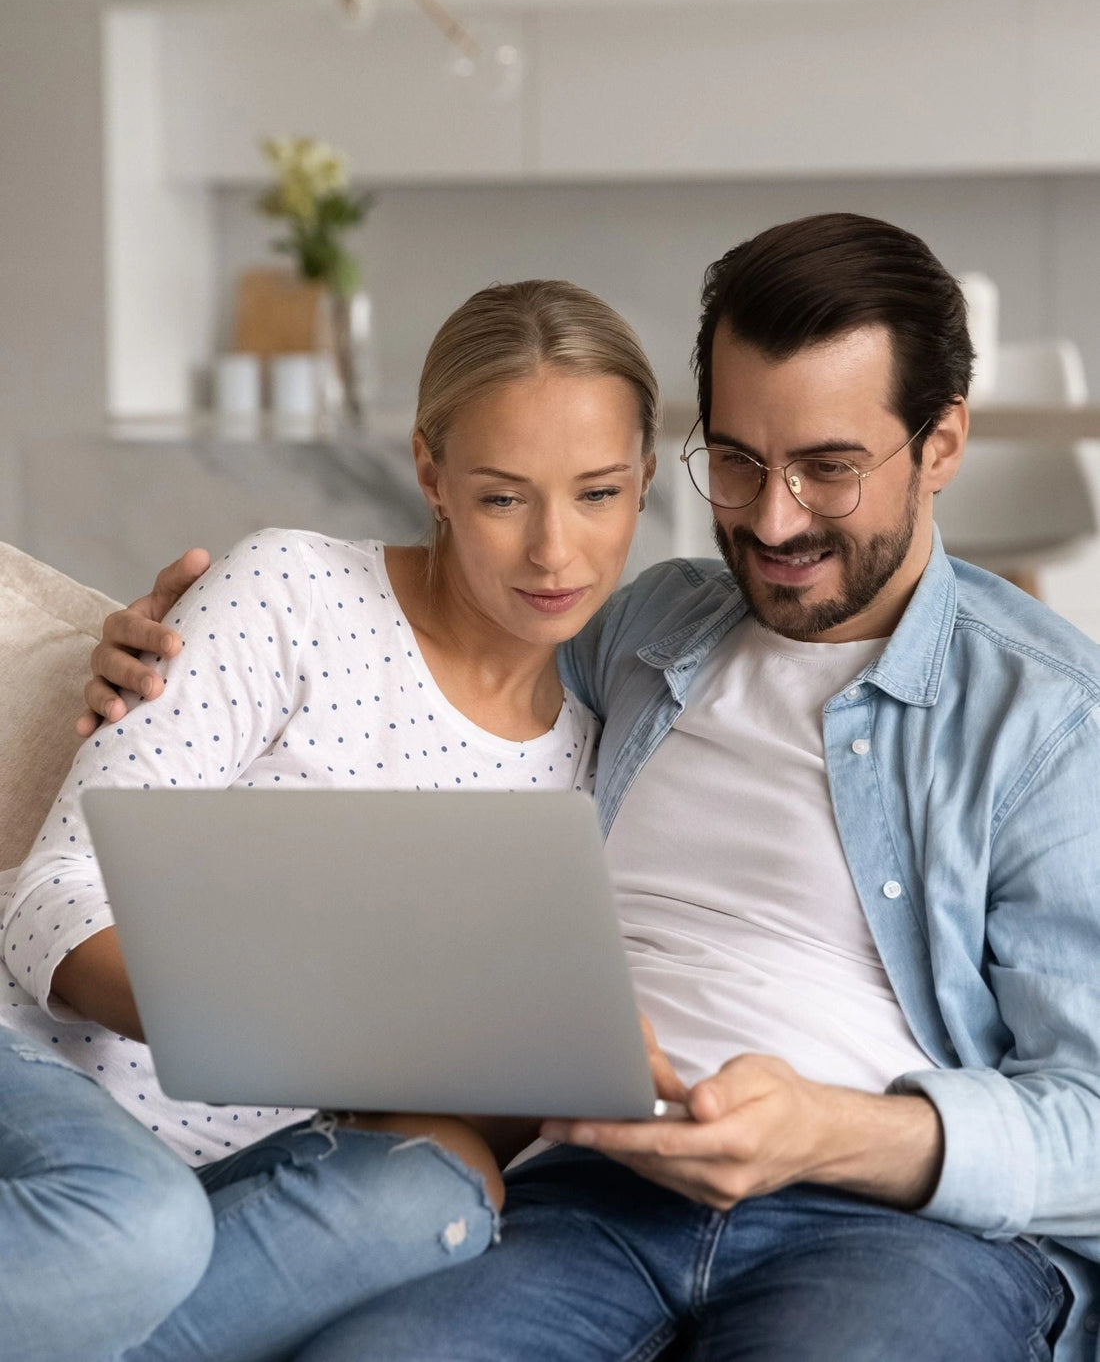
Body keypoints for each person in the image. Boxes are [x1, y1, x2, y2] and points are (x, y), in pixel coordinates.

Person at [96, 214, 1100, 1362]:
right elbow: (432, 638)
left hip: (883, 1230)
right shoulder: (643, 625)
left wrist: (830, 1131)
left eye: (828, 469)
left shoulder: (1047, 721)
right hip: (579, 1197)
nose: (772, 519)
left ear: (939, 443)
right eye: (736, 461)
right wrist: (153, 648)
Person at [1, 278, 659, 1361]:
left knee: (440, 1198)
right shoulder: (292, 593)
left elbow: (479, 1108)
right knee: (140, 1226)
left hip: (249, 1177)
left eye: (597, 493)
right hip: (44, 1084)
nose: (555, 550)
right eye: (503, 498)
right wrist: (279, 1024)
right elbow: (49, 901)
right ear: (430, 474)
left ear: (644, 480)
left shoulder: (598, 766)